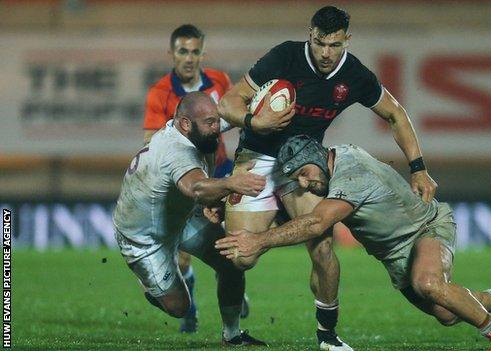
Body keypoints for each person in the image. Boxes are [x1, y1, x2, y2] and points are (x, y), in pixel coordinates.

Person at [217, 6, 437, 350]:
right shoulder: (284, 57)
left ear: (346, 40)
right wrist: (254, 122)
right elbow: (228, 103)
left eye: (334, 45)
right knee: (240, 257)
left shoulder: (354, 74)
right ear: (310, 34)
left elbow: (395, 113)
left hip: (302, 162)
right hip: (258, 155)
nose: (325, 53)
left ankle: (327, 337)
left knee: (321, 243)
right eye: (320, 43)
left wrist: (418, 167)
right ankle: (231, 330)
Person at [215, 135, 491, 351]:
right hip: (395, 255)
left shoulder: (352, 176)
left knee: (428, 283)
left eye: (305, 173)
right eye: (297, 179)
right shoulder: (335, 162)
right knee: (448, 313)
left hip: (426, 229)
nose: (304, 183)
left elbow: (317, 221)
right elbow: (307, 217)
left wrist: (259, 240)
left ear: (319, 157)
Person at [113, 92, 267, 347]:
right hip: (145, 238)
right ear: (185, 124)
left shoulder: (196, 127)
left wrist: (262, 102)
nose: (217, 129)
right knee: (179, 308)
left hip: (181, 218)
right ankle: (148, 282)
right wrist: (230, 183)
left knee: (232, 262)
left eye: (217, 121)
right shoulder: (177, 151)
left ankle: (232, 336)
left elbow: (233, 113)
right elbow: (196, 188)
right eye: (210, 123)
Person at [142, 24, 239, 332]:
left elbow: (235, 113)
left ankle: (235, 289)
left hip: (221, 172)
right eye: (183, 51)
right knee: (184, 256)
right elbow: (150, 142)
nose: (189, 58)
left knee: (231, 245)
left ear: (202, 53)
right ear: (172, 53)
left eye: (195, 51)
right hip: (184, 183)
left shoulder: (220, 80)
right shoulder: (160, 92)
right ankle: (192, 311)